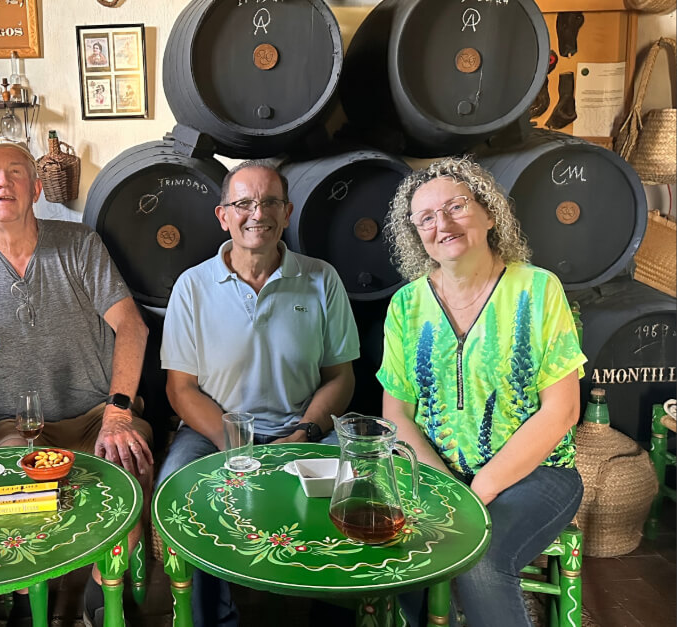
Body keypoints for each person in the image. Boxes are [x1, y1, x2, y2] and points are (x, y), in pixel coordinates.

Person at [0, 137, 152, 627]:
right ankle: (28, 597)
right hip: (14, 422)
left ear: (35, 189)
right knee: (10, 488)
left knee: (126, 471)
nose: (3, 180)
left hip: (95, 413)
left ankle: (99, 594)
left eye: (15, 171)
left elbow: (132, 326)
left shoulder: (79, 244)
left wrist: (117, 411)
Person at [377, 156, 585, 627]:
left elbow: (562, 411)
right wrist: (445, 488)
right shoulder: (406, 305)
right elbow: (398, 415)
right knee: (400, 555)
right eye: (425, 217)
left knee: (482, 560)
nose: (442, 224)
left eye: (455, 206)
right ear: (416, 234)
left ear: (489, 213)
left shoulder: (537, 289)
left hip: (537, 476)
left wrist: (481, 489)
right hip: (436, 474)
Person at [156, 160, 360, 627]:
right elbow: (181, 388)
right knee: (179, 489)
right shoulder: (193, 286)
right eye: (243, 203)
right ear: (222, 215)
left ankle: (331, 616)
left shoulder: (321, 278)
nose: (257, 213)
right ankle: (211, 619)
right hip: (214, 432)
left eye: (269, 202)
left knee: (352, 487)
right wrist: (238, 444)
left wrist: (305, 433)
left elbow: (340, 378)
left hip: (302, 427)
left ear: (286, 213)